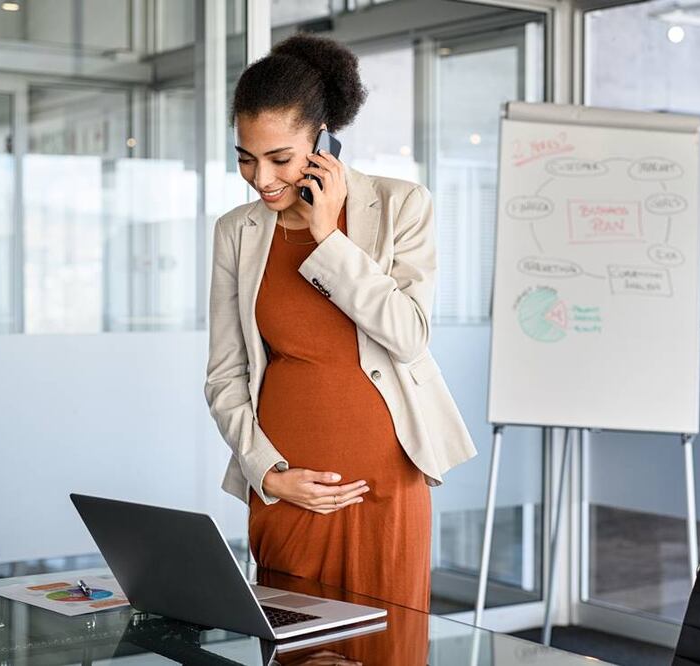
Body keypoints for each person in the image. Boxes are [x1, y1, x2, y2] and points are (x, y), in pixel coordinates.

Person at [204, 33, 476, 613]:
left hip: (387, 484)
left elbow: (408, 336)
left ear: (324, 140)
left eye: (280, 158)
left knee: (389, 643)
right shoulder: (237, 231)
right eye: (246, 158)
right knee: (295, 639)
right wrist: (267, 473)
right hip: (287, 488)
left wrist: (330, 238)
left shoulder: (402, 205)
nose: (261, 178)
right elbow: (225, 374)